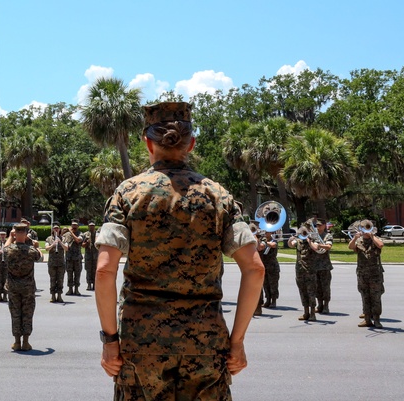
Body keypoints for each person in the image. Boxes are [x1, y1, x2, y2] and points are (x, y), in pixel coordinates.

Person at [94, 102, 263, 401]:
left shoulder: (127, 193)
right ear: (191, 144)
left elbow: (105, 270)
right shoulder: (218, 195)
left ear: (148, 142)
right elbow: (255, 268)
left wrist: (109, 341)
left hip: (142, 343)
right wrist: (236, 341)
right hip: (205, 340)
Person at [3, 222, 42, 351]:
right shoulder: (31, 250)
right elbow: (40, 257)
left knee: (15, 313)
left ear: (15, 234)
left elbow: (4, 249)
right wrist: (35, 245)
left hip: (13, 287)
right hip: (28, 288)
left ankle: (16, 342)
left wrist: (10, 237)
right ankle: (26, 341)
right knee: (27, 313)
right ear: (25, 234)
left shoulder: (9, 250)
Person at [348, 220, 384, 329]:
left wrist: (372, 236)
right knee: (365, 297)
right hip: (362, 274)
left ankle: (376, 319)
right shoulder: (359, 241)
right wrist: (355, 238)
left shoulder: (376, 239)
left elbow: (381, 245)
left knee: (376, 297)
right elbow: (350, 247)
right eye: (364, 228)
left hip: (375, 274)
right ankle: (367, 319)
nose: (365, 231)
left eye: (367, 228)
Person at [288, 223, 318, 322]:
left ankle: (313, 313)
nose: (304, 234)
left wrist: (309, 241)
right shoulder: (299, 242)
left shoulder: (313, 241)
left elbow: (316, 248)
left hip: (310, 271)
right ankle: (306, 312)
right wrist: (291, 239)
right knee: (302, 291)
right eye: (303, 232)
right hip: (300, 271)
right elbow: (291, 245)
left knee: (311, 292)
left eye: (305, 232)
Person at [309, 218, 333, 315]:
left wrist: (318, 245)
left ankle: (326, 305)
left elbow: (328, 247)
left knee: (325, 287)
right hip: (314, 265)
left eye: (320, 225)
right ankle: (319, 305)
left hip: (325, 266)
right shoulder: (313, 236)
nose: (318, 227)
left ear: (324, 225)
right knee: (317, 287)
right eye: (317, 225)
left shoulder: (327, 235)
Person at [256, 228, 280, 310]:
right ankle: (268, 300)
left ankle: (274, 301)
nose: (265, 233)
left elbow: (272, 245)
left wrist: (264, 242)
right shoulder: (261, 239)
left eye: (267, 232)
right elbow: (259, 247)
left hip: (272, 266)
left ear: (271, 232)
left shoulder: (274, 239)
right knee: (265, 284)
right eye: (265, 232)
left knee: (273, 284)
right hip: (264, 265)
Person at [45, 224, 67, 303]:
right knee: (52, 280)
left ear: (59, 229)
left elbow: (66, 248)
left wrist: (60, 242)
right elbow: (47, 248)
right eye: (54, 228)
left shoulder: (63, 238)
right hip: (52, 263)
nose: (56, 230)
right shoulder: (49, 239)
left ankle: (60, 296)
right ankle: (53, 296)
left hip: (61, 263)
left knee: (60, 280)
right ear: (52, 230)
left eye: (57, 228)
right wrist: (53, 244)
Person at [63, 221, 85, 296]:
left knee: (77, 274)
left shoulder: (81, 234)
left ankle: (76, 289)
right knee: (69, 274)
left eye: (75, 226)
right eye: (73, 225)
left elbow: (78, 240)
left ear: (78, 226)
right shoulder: (66, 235)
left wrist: (71, 233)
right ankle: (70, 289)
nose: (74, 227)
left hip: (77, 258)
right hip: (69, 257)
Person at [84, 221, 98, 291]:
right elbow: (82, 245)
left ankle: (95, 284)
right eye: (90, 226)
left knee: (95, 270)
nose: (91, 227)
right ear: (88, 226)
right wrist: (86, 243)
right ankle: (89, 284)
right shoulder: (85, 234)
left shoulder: (98, 234)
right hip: (88, 255)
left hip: (96, 255)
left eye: (93, 226)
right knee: (88, 270)